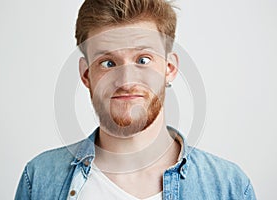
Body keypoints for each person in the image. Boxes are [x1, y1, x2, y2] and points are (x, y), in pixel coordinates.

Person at [15, 0, 256, 199]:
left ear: (169, 68)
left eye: (143, 59)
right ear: (86, 74)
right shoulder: (39, 179)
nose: (126, 80)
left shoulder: (229, 187)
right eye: (107, 63)